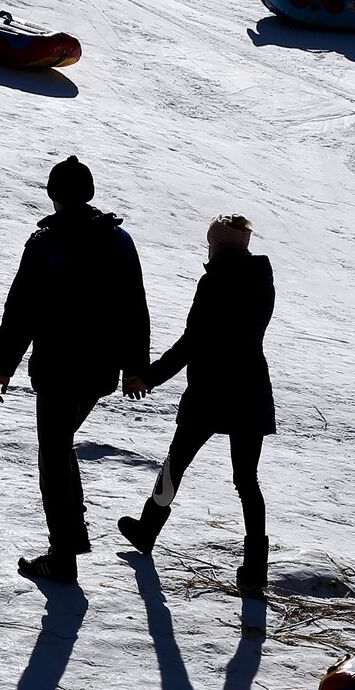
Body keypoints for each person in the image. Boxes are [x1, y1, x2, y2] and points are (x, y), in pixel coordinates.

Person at [0, 156, 150, 584]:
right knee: (59, 449)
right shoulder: (119, 241)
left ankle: (63, 555)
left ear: (53, 194)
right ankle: (66, 546)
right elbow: (135, 308)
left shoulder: (46, 243)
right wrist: (134, 367)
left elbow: (21, 308)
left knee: (55, 454)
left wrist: (4, 364)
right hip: (98, 371)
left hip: (59, 369)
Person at [116, 215, 276, 596]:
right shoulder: (262, 280)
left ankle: (147, 529)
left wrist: (150, 376)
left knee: (176, 461)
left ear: (217, 244)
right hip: (251, 387)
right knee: (247, 481)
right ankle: (255, 569)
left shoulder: (215, 281)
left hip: (212, 389)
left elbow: (193, 341)